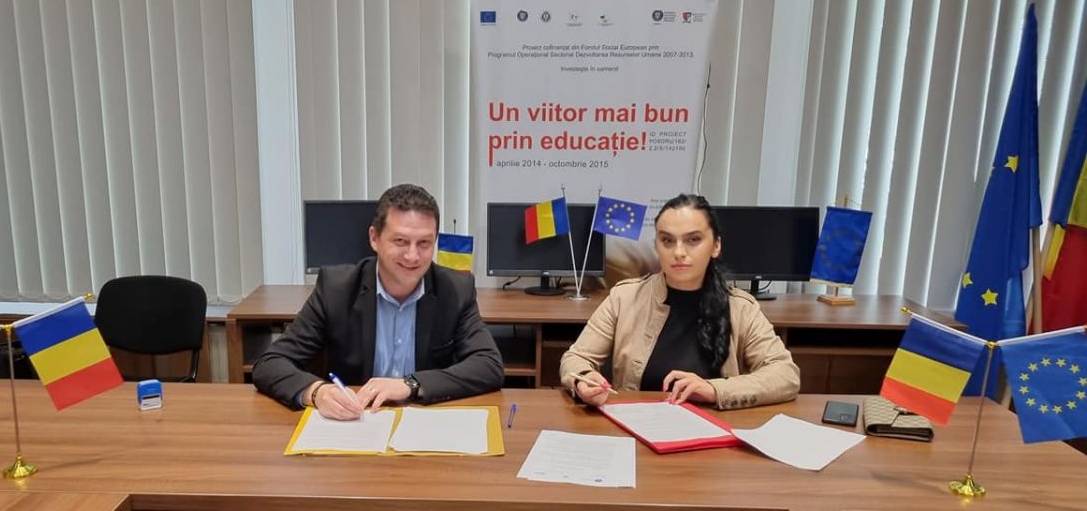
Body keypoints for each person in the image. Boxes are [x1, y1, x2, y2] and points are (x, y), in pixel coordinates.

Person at [253, 184, 504, 420]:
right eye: (400, 241)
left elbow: (489, 365)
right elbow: (270, 363)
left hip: (423, 423)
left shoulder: (455, 289)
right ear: (374, 238)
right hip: (356, 422)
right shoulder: (337, 290)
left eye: (424, 243)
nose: (412, 255)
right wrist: (317, 392)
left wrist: (410, 384)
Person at [560, 194, 799, 409]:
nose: (679, 252)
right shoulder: (624, 298)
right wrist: (584, 379)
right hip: (638, 427)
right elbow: (576, 358)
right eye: (667, 241)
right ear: (657, 246)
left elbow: (785, 374)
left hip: (713, 433)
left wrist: (715, 390)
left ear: (716, 245)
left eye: (693, 240)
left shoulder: (741, 308)